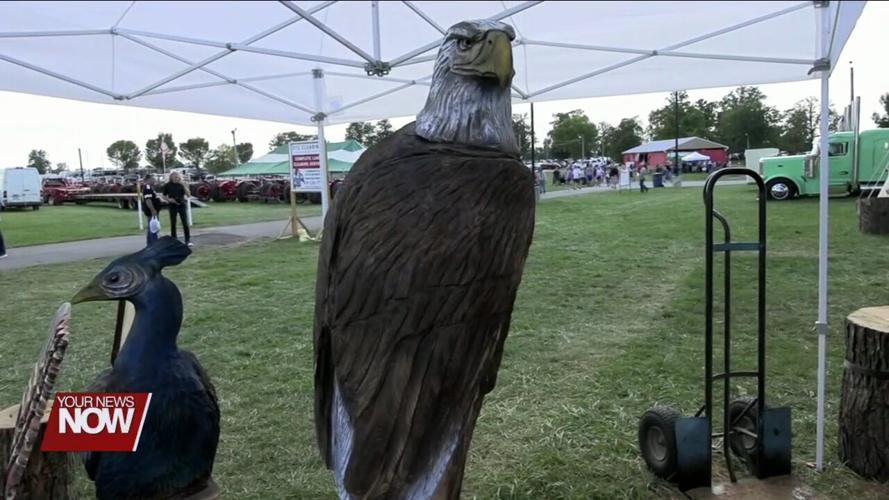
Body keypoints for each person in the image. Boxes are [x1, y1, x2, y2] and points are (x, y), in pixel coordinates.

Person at [162, 171, 192, 246]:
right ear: (171, 177)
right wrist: (169, 200)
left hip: (181, 205)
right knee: (173, 223)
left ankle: (187, 240)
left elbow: (188, 195)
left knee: (185, 223)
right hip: (172, 205)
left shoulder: (182, 184)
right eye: (175, 177)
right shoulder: (167, 185)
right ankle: (174, 240)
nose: (176, 178)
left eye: (178, 177)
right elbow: (164, 196)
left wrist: (184, 186)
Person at [141, 174, 161, 246]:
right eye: (153, 179)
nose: (154, 180)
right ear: (148, 179)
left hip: (153, 211)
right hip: (151, 212)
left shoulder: (151, 188)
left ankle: (150, 244)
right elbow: (148, 200)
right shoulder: (148, 188)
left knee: (151, 228)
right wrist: (153, 210)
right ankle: (154, 245)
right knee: (153, 228)